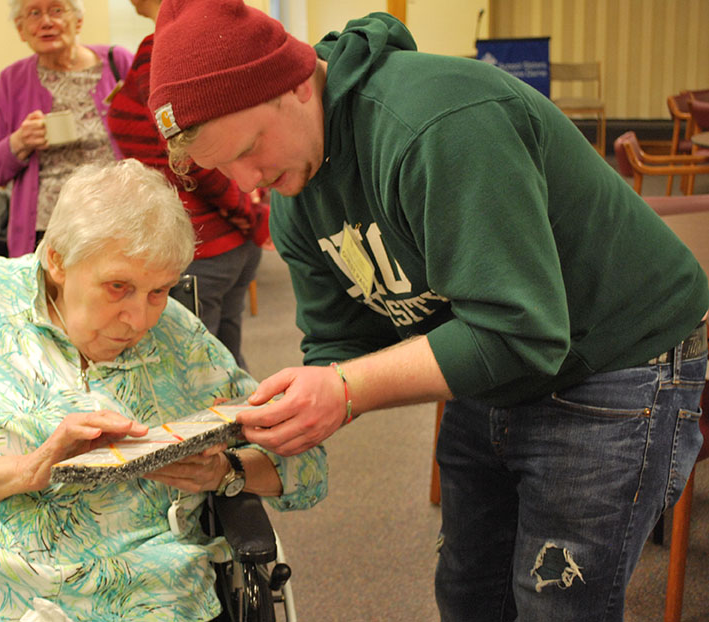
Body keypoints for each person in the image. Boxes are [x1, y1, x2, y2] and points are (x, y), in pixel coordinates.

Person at [146, 1, 709, 620]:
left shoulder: (436, 124)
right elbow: (340, 339)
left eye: (250, 148)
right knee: (471, 594)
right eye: (222, 168)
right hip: (493, 361)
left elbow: (520, 332)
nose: (249, 181)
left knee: (559, 602)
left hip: (611, 358)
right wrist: (301, 406)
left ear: (296, 85)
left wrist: (346, 388)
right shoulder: (294, 188)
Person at [0, 159, 327, 622]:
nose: (140, 319)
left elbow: (307, 467)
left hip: (136, 597)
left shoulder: (180, 338)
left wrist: (223, 471)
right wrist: (29, 469)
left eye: (159, 291)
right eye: (118, 287)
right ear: (57, 261)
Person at [106, 0, 266, 368]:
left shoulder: (162, 51)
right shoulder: (183, 44)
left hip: (202, 249)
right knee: (227, 368)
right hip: (227, 243)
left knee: (195, 377)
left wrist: (249, 215)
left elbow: (192, 158)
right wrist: (250, 216)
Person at [0, 0, 133, 256]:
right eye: (34, 13)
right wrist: (19, 142)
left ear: (78, 20)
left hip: (121, 221)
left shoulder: (119, 63)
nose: (46, 21)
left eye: (56, 10)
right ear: (21, 29)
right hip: (50, 234)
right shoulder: (12, 81)